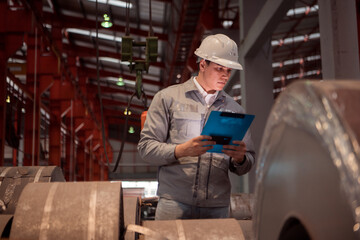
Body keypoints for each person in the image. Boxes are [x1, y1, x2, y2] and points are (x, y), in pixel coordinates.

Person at [137, 34, 255, 220]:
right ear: (202, 65)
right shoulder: (168, 98)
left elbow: (247, 162)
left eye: (229, 70)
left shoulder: (235, 110)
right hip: (174, 203)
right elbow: (146, 149)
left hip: (217, 207)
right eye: (219, 68)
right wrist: (181, 150)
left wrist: (240, 159)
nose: (225, 75)